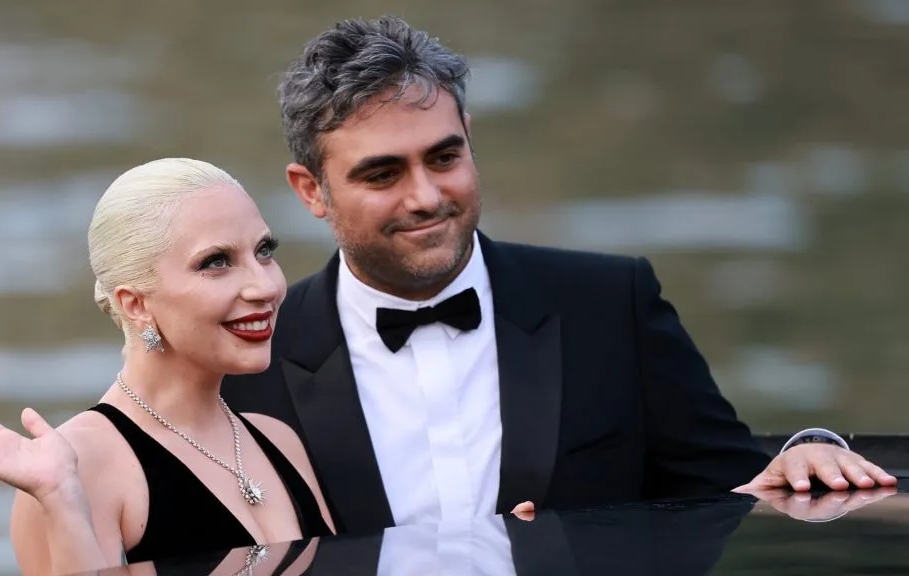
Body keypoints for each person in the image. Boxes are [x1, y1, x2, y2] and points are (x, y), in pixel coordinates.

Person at [220, 14, 898, 542]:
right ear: (311, 191)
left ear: (470, 142)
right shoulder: (247, 362)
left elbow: (727, 496)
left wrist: (810, 454)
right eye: (382, 172)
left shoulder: (613, 306)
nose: (425, 196)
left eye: (444, 157)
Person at [0, 158, 335, 576]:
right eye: (216, 262)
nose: (265, 286)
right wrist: (62, 501)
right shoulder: (74, 465)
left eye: (264, 251)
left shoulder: (280, 441)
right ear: (135, 304)